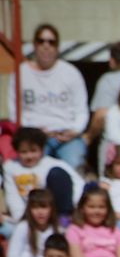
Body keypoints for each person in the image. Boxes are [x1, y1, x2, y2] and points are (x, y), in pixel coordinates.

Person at [20, 24, 89, 172]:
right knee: (33, 170)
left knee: (75, 164)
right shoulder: (21, 73)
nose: (46, 46)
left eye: (51, 42)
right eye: (41, 41)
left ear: (57, 46)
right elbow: (16, 112)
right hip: (35, 137)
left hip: (67, 136)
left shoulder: (71, 73)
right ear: (34, 44)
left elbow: (81, 110)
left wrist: (75, 130)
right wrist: (35, 132)